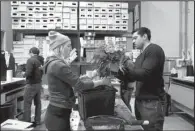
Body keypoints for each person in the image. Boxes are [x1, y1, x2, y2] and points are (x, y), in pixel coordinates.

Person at [43, 31, 111, 131]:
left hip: (58, 111)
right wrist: (101, 82)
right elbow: (79, 85)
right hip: (58, 115)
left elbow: (71, 81)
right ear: (59, 47)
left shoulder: (54, 62)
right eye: (68, 46)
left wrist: (91, 75)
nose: (71, 49)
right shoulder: (58, 65)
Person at [120, 27, 166, 130]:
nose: (133, 41)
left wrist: (127, 70)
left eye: (135, 38)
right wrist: (120, 71)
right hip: (141, 101)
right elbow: (134, 76)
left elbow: (146, 73)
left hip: (151, 103)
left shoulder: (154, 50)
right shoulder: (141, 55)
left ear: (145, 36)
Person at [23, 47, 43, 126]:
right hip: (38, 84)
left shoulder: (30, 60)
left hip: (31, 84)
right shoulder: (41, 60)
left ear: (31, 52)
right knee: (38, 103)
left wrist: (23, 74)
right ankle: (37, 121)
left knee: (27, 103)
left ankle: (26, 122)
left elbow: (28, 73)